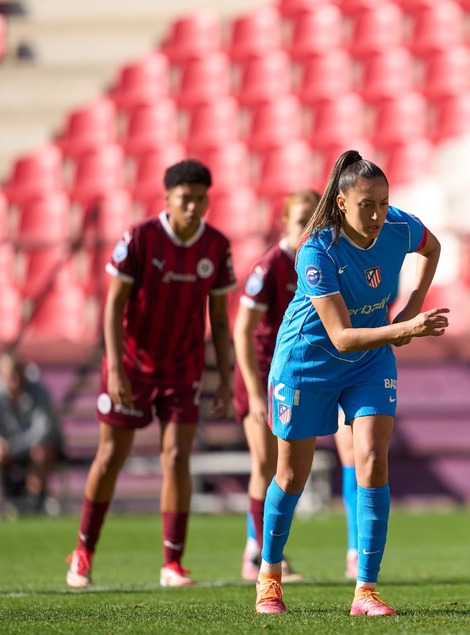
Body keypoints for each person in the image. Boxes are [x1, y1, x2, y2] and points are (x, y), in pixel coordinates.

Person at [254, 149, 449, 616]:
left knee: (373, 461)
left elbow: (433, 247)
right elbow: (340, 336)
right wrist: (405, 328)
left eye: (384, 202)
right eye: (367, 205)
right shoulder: (316, 250)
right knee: (290, 475)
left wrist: (410, 304)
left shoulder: (398, 226)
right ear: (341, 203)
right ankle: (269, 575)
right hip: (308, 363)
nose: (379, 213)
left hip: (370, 360)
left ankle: (365, 589)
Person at [65, 159, 237, 588]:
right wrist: (116, 369)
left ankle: (172, 563)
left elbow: (219, 315)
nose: (194, 207)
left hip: (183, 367)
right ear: (167, 199)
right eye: (186, 199)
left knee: (177, 458)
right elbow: (113, 306)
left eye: (201, 199)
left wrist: (226, 376)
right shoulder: (139, 239)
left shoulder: (216, 246)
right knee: (110, 456)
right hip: (133, 365)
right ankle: (83, 551)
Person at [233, 189, 359, 582]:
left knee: (339, 455)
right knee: (268, 464)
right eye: (301, 219)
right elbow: (243, 331)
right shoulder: (271, 266)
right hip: (265, 373)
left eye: (314, 219)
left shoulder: (327, 256)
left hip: (316, 370)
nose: (309, 227)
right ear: (284, 223)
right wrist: (254, 394)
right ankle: (260, 554)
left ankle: (353, 551)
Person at [0, 350, 63, 514]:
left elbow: (43, 432)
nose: (14, 377)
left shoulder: (39, 393)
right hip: (10, 450)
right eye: (9, 373)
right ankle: (8, 501)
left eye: (17, 372)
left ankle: (32, 501)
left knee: (40, 451)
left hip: (38, 448)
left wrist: (11, 447)